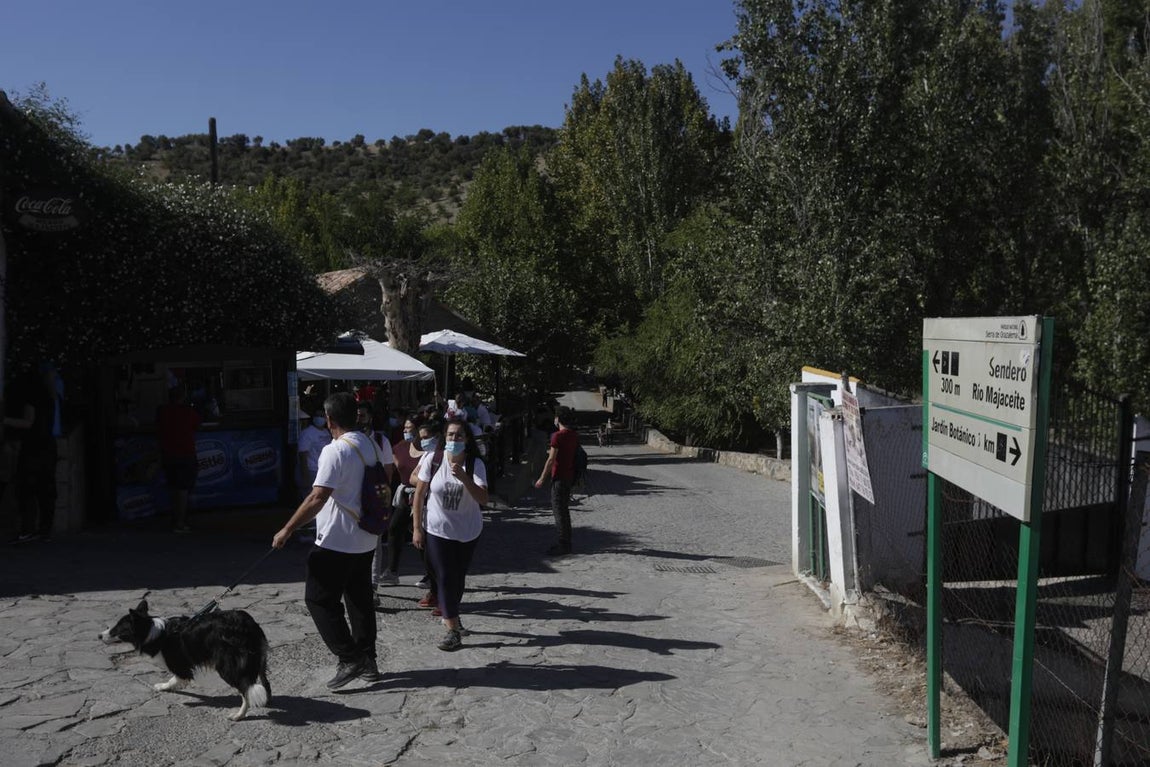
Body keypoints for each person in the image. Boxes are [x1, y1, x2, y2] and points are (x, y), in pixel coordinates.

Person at [272, 392, 383, 690]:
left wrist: (288, 529)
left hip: (336, 539)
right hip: (365, 537)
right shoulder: (370, 443)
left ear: (329, 419)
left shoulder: (335, 451)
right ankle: (368, 659)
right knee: (359, 601)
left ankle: (350, 657)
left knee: (319, 599)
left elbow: (317, 496)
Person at [412, 417, 487, 651]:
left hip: (467, 531)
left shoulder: (475, 465)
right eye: (451, 435)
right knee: (444, 576)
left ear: (467, 439)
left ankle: (453, 612)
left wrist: (464, 478)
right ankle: (452, 631)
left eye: (459, 436)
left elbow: (483, 499)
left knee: (458, 577)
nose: (454, 439)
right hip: (437, 529)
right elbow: (419, 494)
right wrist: (416, 528)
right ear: (445, 437)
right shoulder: (434, 459)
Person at [4, 363, 61, 543]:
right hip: (48, 446)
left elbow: (28, 422)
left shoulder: (32, 396)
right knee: (46, 491)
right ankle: (44, 529)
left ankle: (27, 529)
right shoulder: (51, 396)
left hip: (33, 447)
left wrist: (4, 420)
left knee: (27, 490)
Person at [375, 415, 424, 588]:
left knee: (422, 534)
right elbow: (391, 467)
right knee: (395, 529)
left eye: (409, 428)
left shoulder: (428, 449)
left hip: (424, 496)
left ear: (418, 430)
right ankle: (392, 571)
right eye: (404, 428)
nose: (405, 431)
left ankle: (430, 573)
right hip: (404, 495)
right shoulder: (399, 448)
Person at [155, 386, 202, 533]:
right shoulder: (188, 412)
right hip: (185, 454)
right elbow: (197, 424)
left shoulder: (163, 411)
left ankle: (175, 519)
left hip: (168, 454)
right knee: (182, 490)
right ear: (182, 397)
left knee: (174, 488)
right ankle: (180, 523)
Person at [535, 406, 579, 556]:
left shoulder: (557, 437)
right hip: (569, 476)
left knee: (559, 511)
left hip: (559, 477)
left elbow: (551, 459)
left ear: (558, 419)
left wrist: (541, 478)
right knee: (564, 510)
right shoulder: (573, 435)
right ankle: (567, 541)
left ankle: (563, 544)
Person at [297, 409, 331, 501]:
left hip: (322, 471)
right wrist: (305, 475)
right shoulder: (307, 433)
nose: (320, 418)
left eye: (322, 415)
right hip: (311, 471)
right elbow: (302, 455)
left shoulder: (326, 432)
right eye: (317, 415)